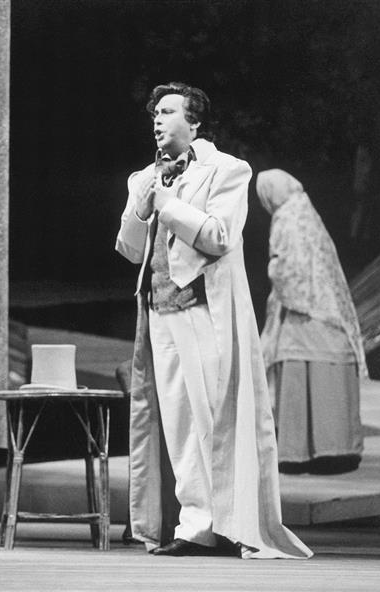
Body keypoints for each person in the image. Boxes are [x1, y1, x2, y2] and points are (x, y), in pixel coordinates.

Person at [115, 82, 311, 558]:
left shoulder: (228, 169)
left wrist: (168, 206)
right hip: (160, 310)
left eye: (168, 111)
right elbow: (130, 250)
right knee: (179, 424)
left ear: (195, 121)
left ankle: (229, 524)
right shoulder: (145, 176)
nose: (157, 120)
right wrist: (142, 208)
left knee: (213, 420)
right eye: (155, 113)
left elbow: (220, 236)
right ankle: (195, 525)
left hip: (203, 309)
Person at [257, 169, 366, 475]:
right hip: (330, 312)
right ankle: (338, 449)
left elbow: (288, 266)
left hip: (303, 314)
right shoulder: (304, 210)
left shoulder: (286, 217)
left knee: (294, 358)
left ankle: (299, 451)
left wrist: (274, 271)